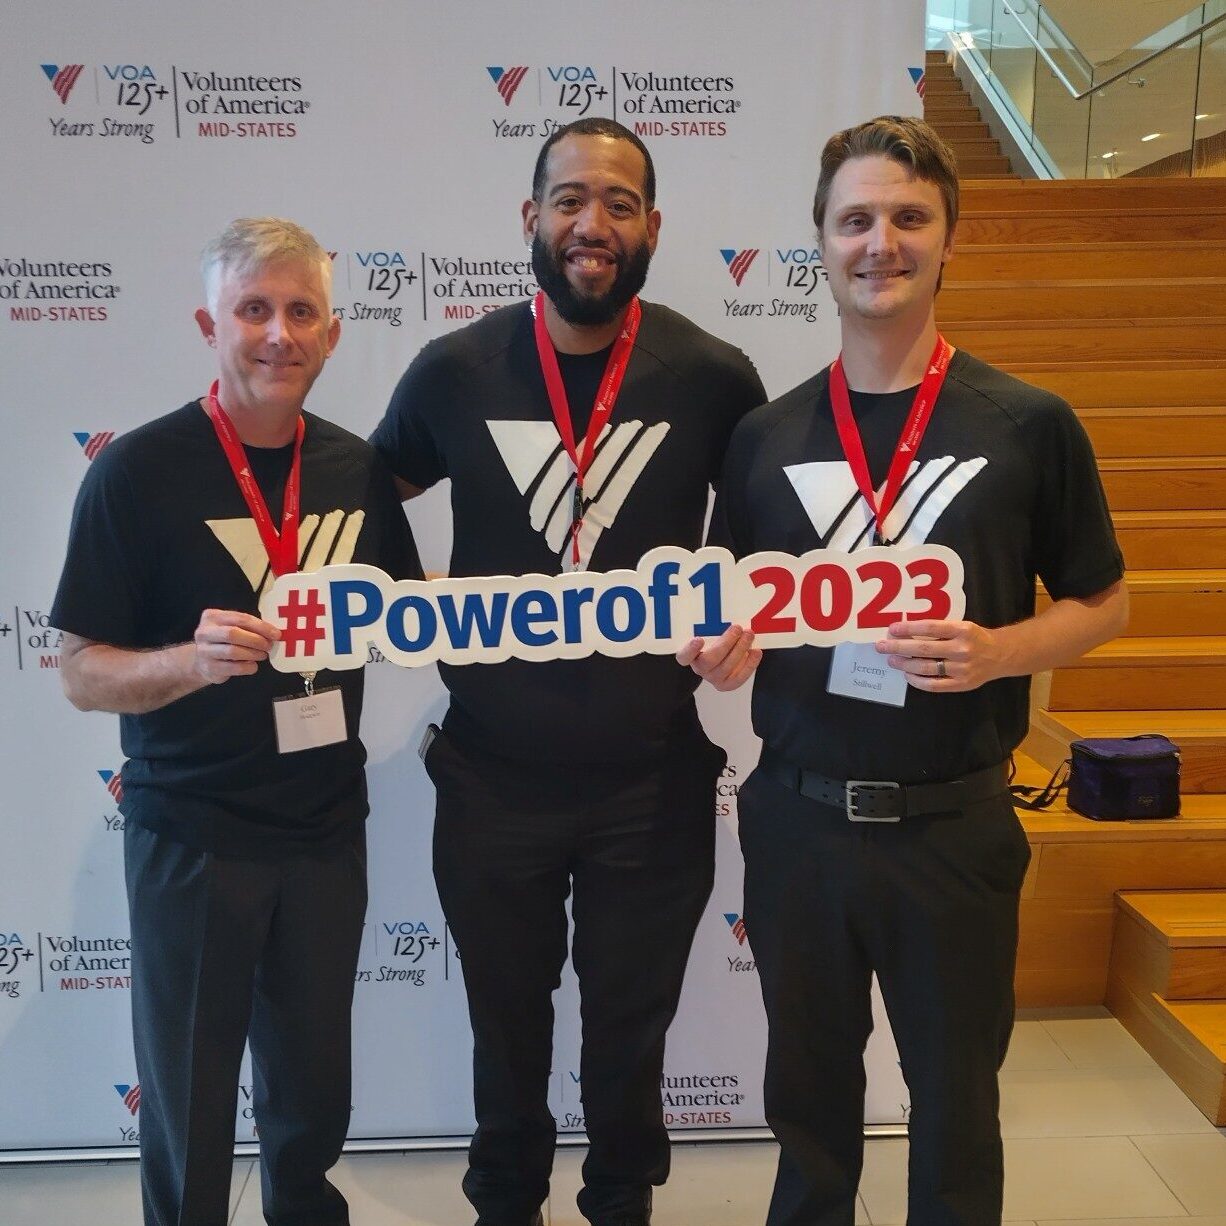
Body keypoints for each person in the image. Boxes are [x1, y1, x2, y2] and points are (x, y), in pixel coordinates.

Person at [682, 116, 1128, 1225]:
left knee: (955, 1115)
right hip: (796, 823)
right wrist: (724, 651)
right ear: (821, 245)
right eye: (855, 220)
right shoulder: (764, 435)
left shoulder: (1027, 422)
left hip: (954, 828)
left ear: (946, 240)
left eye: (906, 218)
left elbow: (1103, 601)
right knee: (807, 1106)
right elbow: (737, 603)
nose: (879, 240)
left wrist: (1001, 650)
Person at [370, 117, 766, 1226]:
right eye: (569, 198)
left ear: (650, 227)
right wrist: (405, 602)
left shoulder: (710, 375)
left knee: (630, 1018)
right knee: (504, 1015)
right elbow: (361, 498)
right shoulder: (452, 369)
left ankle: (619, 1198)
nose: (591, 223)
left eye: (619, 203)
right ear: (530, 215)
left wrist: (744, 625)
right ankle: (503, 1199)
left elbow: (757, 542)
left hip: (652, 775)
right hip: (492, 770)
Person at [51, 217, 422, 1226]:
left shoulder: (352, 469)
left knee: (311, 1097)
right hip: (193, 836)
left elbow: (412, 616)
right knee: (190, 1098)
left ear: (332, 334)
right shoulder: (136, 472)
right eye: (253, 309)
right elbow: (80, 672)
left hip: (321, 830)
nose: (276, 333)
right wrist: (187, 660)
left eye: (300, 310)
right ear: (210, 322)